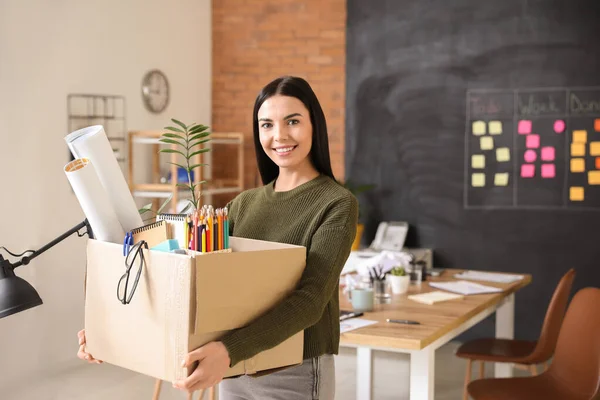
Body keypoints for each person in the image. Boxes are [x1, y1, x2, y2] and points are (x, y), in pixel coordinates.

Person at [77, 76, 358, 400]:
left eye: (292, 121)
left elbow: (310, 301)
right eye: (266, 125)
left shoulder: (336, 203)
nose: (279, 135)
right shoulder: (242, 205)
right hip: (233, 369)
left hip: (293, 371)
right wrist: (112, 330)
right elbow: (195, 280)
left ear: (314, 125)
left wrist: (227, 350)